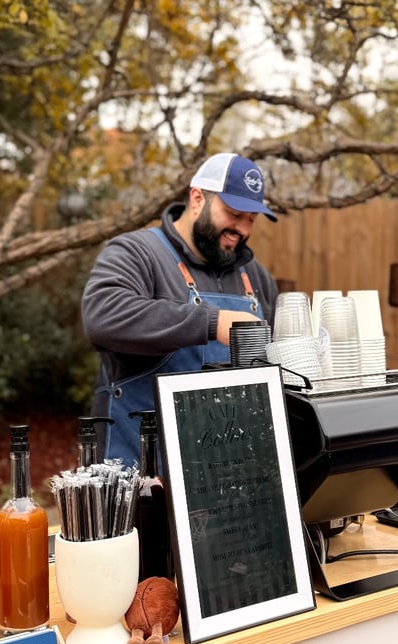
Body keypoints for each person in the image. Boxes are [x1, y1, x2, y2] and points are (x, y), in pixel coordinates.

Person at [81, 152, 280, 466]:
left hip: (222, 475)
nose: (241, 229)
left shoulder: (254, 276)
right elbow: (103, 316)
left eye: (251, 220)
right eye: (233, 213)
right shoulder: (136, 252)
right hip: (139, 476)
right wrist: (213, 322)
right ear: (197, 198)